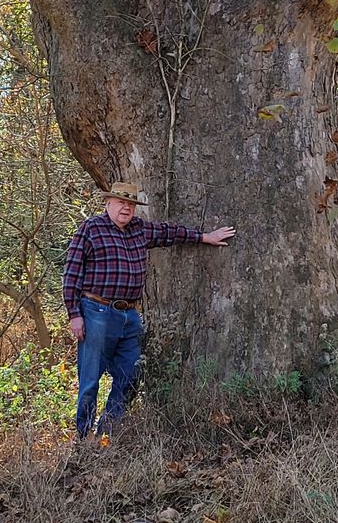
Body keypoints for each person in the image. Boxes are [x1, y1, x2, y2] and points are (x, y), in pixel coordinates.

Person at [62, 181, 235, 438]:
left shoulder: (139, 229)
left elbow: (170, 233)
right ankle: (83, 439)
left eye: (130, 204)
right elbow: (72, 272)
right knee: (90, 379)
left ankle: (106, 434)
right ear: (108, 203)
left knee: (132, 372)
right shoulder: (91, 229)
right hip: (96, 311)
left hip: (129, 315)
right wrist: (74, 314)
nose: (126, 208)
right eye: (121, 203)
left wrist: (204, 237)